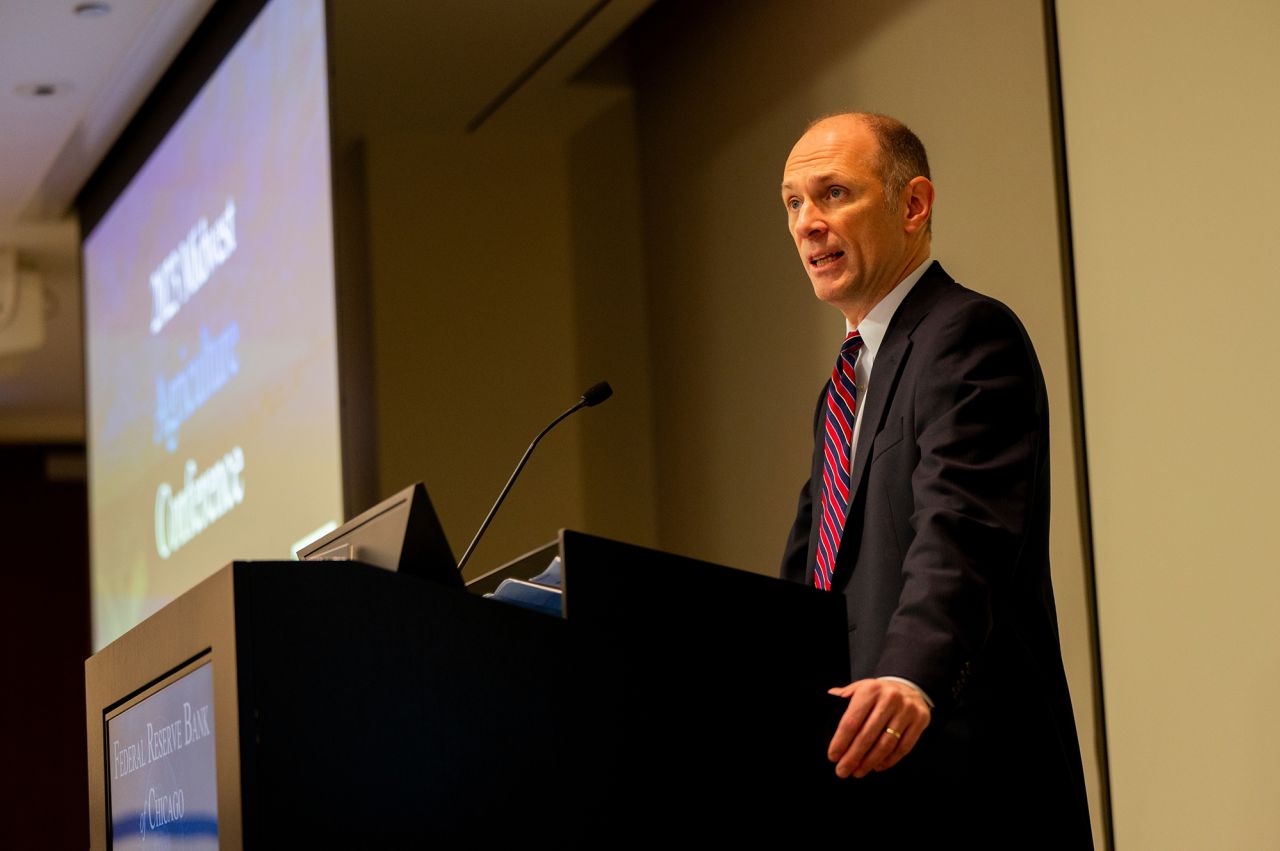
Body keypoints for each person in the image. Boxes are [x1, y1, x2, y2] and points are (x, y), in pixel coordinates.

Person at [779, 112, 1092, 844]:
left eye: (832, 193)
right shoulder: (842, 389)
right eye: (793, 202)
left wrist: (912, 675)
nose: (807, 223)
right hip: (864, 778)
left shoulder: (966, 334)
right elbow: (808, 585)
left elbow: (961, 528)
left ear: (913, 205)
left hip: (966, 781)